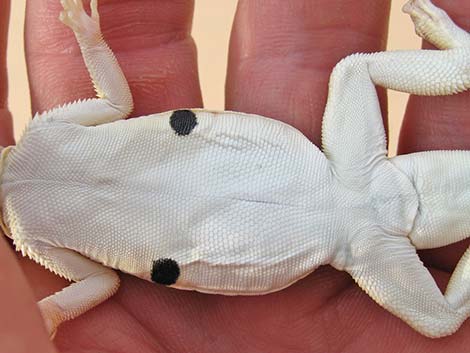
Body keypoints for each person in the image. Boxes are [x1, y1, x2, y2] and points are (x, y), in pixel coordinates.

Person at [1, 1, 470, 352]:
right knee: (354, 71)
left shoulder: (37, 180)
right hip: (341, 216)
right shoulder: (35, 208)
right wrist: (49, 312)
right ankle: (458, 64)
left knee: (442, 319)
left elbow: (101, 282)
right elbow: (115, 103)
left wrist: (52, 311)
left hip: (344, 196)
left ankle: (459, 66)